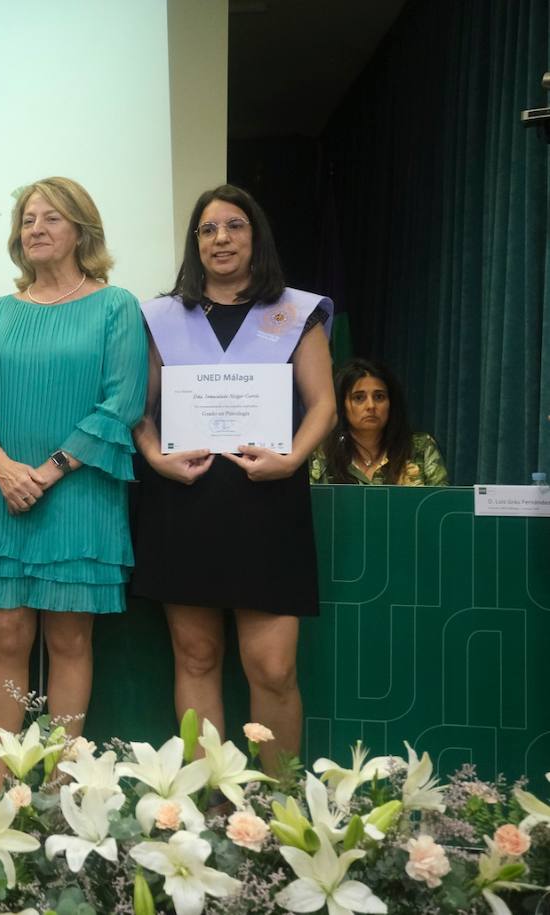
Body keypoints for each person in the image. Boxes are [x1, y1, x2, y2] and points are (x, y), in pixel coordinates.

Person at [132, 184, 336, 771]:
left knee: (274, 668)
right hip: (183, 500)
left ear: (256, 237)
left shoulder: (296, 312)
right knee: (195, 658)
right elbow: (139, 412)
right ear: (195, 243)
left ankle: (278, 808)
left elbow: (323, 403)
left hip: (268, 500)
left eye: (234, 226)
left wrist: (293, 459)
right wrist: (153, 456)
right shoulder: (162, 317)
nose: (220, 239)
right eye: (207, 229)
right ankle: (213, 809)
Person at [0, 177, 147, 746]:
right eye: (28, 219)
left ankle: (62, 777)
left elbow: (123, 402)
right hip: (5, 493)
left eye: (51, 218)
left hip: (79, 494)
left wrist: (51, 468)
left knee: (69, 640)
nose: (35, 228)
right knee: (6, 634)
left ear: (81, 229)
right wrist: (4, 468)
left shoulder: (115, 305)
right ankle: (2, 775)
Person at [309, 357, 449, 485]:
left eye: (379, 397)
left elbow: (441, 505)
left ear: (391, 403)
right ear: (341, 405)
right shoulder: (322, 454)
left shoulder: (420, 448)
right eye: (359, 398)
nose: (371, 406)